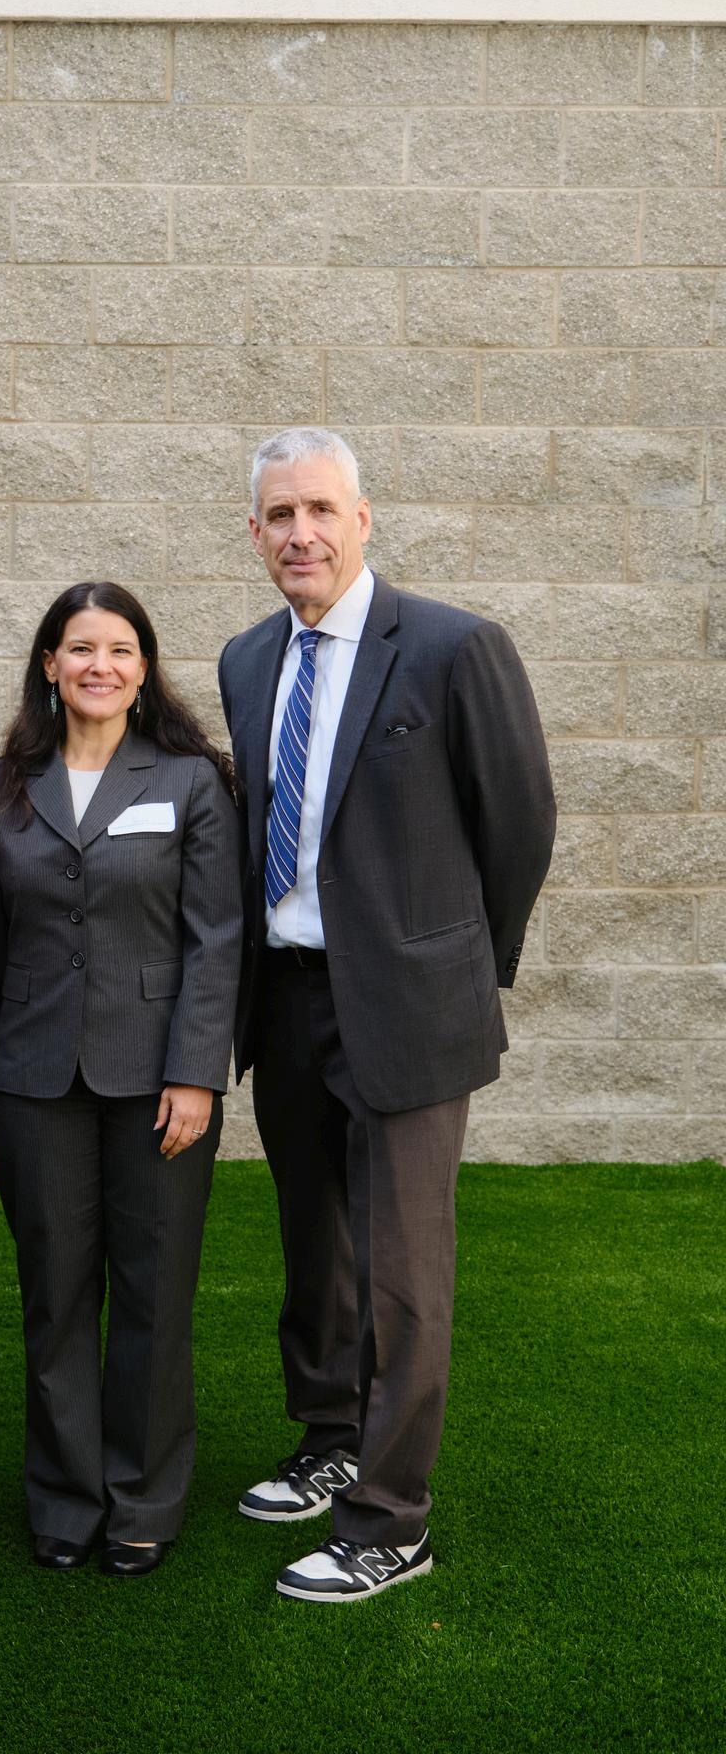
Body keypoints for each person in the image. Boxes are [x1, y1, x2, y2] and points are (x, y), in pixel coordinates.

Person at [219, 427, 555, 1603]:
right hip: (288, 995)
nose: (300, 532)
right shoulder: (247, 660)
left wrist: (462, 969)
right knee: (316, 1245)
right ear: (254, 534)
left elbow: (519, 824)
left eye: (321, 509)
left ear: (363, 519)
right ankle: (330, 1439)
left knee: (405, 1270)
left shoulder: (456, 648)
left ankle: (391, 1518)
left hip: (411, 1005)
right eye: (279, 515)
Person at [0, 582, 242, 1577]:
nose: (100, 666)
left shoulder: (192, 782)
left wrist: (197, 1073)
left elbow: (217, 939)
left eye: (120, 649)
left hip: (159, 1079)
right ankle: (65, 1500)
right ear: (50, 664)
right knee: (56, 1294)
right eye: (81, 648)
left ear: (144, 668)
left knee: (154, 1294)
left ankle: (142, 1501)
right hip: (31, 1080)